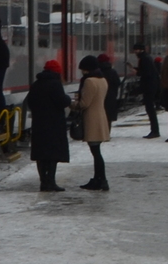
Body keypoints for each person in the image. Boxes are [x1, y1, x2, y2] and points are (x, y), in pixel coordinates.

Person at [26, 58, 72, 191]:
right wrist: (68, 99)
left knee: (41, 155)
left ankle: (43, 182)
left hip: (39, 124)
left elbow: (30, 102)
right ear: (57, 72)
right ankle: (51, 181)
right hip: (54, 124)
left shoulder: (36, 84)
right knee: (52, 154)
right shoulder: (55, 84)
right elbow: (62, 101)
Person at [73, 55, 110, 190]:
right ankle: (99, 179)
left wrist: (71, 104)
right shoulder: (103, 80)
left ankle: (101, 180)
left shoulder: (89, 82)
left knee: (96, 152)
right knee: (96, 151)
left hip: (91, 119)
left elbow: (84, 104)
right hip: (100, 117)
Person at [134, 44, 162, 138]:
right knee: (150, 109)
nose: (135, 52)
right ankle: (154, 130)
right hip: (151, 86)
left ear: (140, 50)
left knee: (150, 109)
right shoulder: (147, 58)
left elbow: (146, 73)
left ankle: (155, 131)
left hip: (149, 86)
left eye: (136, 50)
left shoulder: (144, 58)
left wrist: (137, 72)